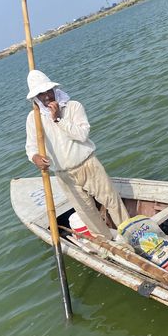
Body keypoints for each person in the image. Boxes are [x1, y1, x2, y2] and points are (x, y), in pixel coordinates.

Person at [25, 69, 129, 240]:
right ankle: (107, 244)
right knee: (87, 212)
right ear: (35, 98)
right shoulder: (33, 119)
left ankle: (131, 234)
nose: (46, 97)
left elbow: (82, 135)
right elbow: (31, 147)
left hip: (87, 164)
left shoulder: (73, 107)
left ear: (54, 90)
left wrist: (58, 119)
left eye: (47, 91)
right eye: (40, 94)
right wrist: (36, 158)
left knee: (112, 202)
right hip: (64, 174)